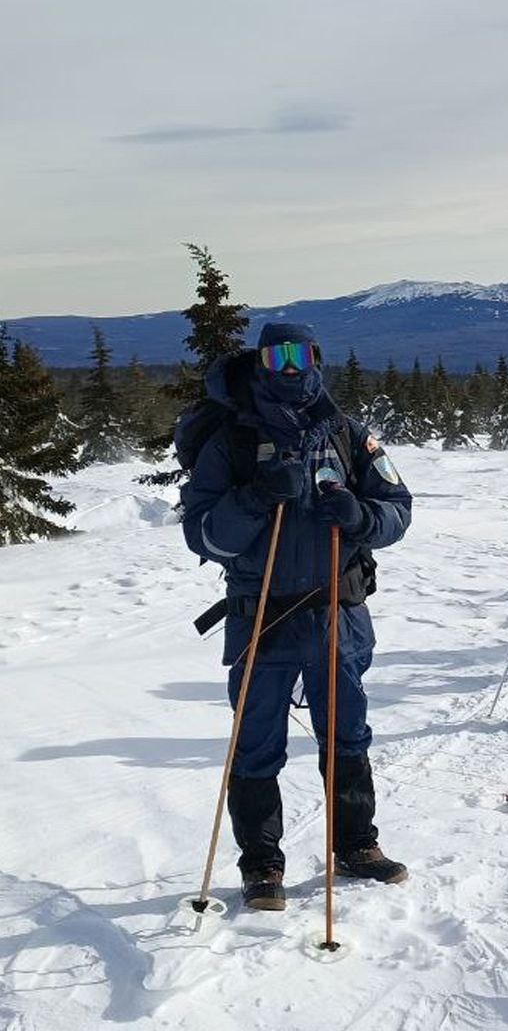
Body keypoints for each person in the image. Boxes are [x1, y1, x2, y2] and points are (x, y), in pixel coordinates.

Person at [180, 323, 412, 911]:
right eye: (276, 355)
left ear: (316, 358)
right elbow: (204, 535)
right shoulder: (230, 443)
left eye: (300, 354)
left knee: (348, 735)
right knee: (256, 743)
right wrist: (255, 498)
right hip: (263, 616)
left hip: (338, 614)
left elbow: (398, 510)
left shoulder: (349, 436)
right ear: (259, 362)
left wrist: (359, 516)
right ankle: (261, 865)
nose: (289, 367)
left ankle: (357, 845)